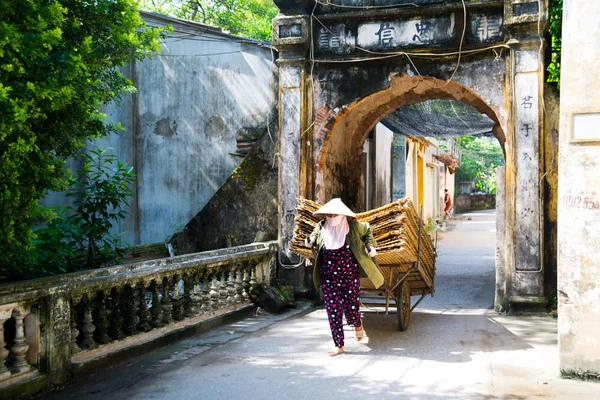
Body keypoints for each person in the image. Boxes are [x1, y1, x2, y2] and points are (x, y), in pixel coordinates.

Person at [305, 198, 384, 357]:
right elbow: (313, 235)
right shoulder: (321, 226)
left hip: (349, 275)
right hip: (328, 276)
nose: (332, 216)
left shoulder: (353, 226)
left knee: (351, 307)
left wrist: (370, 246)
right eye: (330, 213)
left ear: (342, 214)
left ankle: (357, 324)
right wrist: (310, 240)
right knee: (332, 309)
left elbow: (367, 232)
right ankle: (338, 344)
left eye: (335, 213)